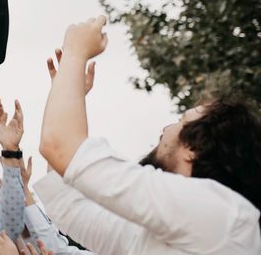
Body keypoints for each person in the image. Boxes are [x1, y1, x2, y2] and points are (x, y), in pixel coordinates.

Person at [35, 16, 261, 254]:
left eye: (181, 121)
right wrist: (68, 94)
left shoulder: (220, 216)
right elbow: (69, 207)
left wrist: (75, 51)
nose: (165, 129)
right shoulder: (170, 228)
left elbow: (60, 147)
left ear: (195, 147)